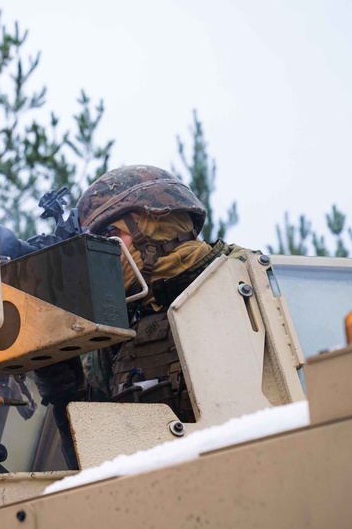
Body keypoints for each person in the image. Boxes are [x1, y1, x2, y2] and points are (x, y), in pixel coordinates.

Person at [73, 164, 256, 421]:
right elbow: (95, 440)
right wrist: (63, 386)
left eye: (110, 235)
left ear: (154, 227)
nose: (102, 252)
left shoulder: (250, 278)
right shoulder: (119, 328)